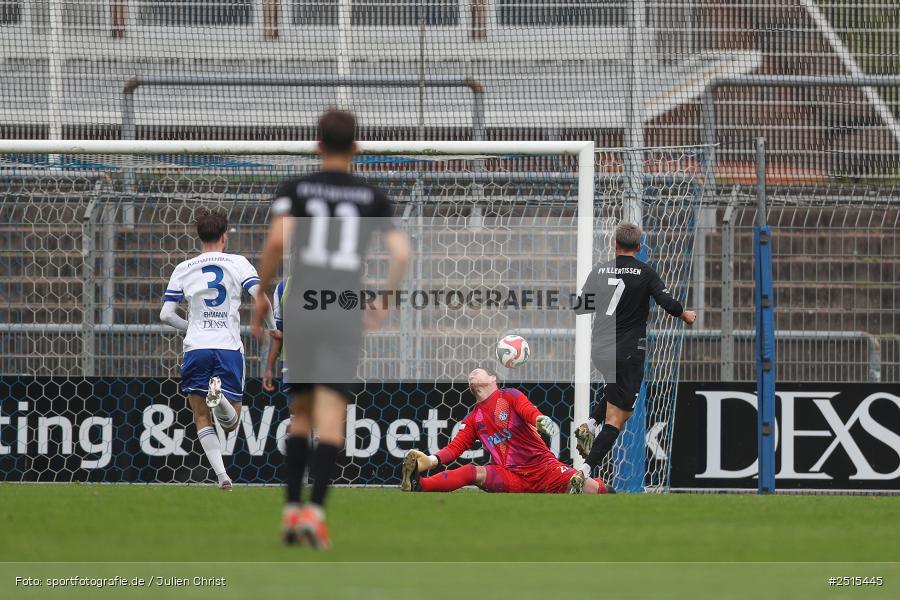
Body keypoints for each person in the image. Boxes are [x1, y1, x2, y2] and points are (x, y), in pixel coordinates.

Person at [252, 109, 411, 549]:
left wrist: (262, 294)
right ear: (355, 148)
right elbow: (400, 253)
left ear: (317, 145)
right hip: (342, 308)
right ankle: (316, 514)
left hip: (303, 304)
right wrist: (384, 300)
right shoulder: (371, 196)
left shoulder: (296, 189)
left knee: (300, 415)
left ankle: (289, 512)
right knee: (331, 419)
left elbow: (277, 242)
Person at [569, 222, 696, 491]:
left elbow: (580, 307)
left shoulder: (599, 270)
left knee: (615, 393)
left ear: (614, 244)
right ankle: (584, 472)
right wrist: (685, 314)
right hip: (628, 352)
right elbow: (668, 303)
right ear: (639, 247)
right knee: (618, 417)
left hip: (600, 349)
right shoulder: (646, 273)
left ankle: (590, 423)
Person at [159, 208, 273, 491]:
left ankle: (222, 477)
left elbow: (165, 315)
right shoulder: (238, 263)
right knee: (231, 424)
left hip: (196, 347)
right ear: (224, 237)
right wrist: (273, 328)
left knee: (200, 417)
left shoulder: (184, 268)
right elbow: (261, 300)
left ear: (200, 238)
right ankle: (219, 397)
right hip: (227, 347)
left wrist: (192, 328)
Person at [401, 368, 612, 495]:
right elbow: (455, 448)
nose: (472, 373)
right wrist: (432, 460)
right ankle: (419, 486)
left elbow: (528, 411)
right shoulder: (474, 418)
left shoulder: (508, 396)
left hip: (544, 469)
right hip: (511, 476)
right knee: (472, 472)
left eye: (478, 370)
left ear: (493, 379)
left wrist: (539, 420)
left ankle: (610, 491)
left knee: (592, 490)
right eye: (470, 374)